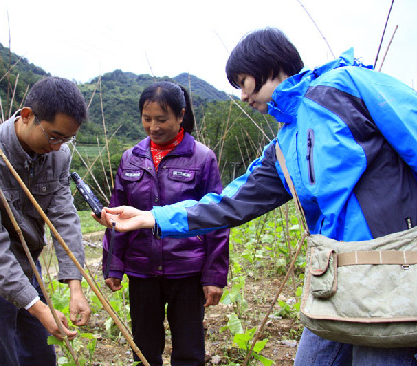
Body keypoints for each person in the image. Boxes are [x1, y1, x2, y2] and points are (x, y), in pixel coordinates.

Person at [95, 28, 417, 365]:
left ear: (271, 65)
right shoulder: (284, 144)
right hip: (334, 279)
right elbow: (232, 201)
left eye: (243, 81)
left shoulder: (347, 87)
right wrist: (153, 217)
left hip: (387, 274)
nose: (243, 96)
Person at [0, 76, 91, 366]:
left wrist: (75, 285)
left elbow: (64, 215)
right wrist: (37, 306)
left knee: (41, 356)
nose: (58, 147)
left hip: (29, 269)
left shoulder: (58, 155)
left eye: (66, 139)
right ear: (27, 116)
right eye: (53, 136)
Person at [101, 81, 229, 366]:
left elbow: (217, 218)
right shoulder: (131, 158)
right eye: (147, 119)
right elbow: (118, 215)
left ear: (181, 115)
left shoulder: (202, 158)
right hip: (142, 270)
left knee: (189, 349)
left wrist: (214, 276)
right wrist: (113, 264)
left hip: (187, 270)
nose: (153, 127)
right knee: (144, 348)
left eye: (162, 119)